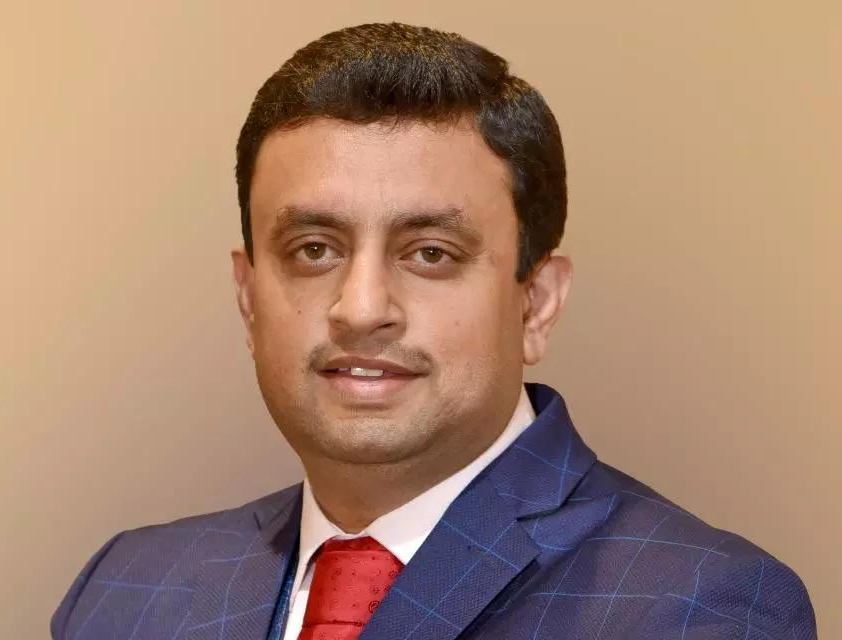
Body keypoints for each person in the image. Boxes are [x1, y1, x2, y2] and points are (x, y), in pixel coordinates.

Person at [50, 22, 816, 639]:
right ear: (249, 299)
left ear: (537, 304)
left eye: (430, 253)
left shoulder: (699, 607)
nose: (360, 308)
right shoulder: (123, 592)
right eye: (313, 250)